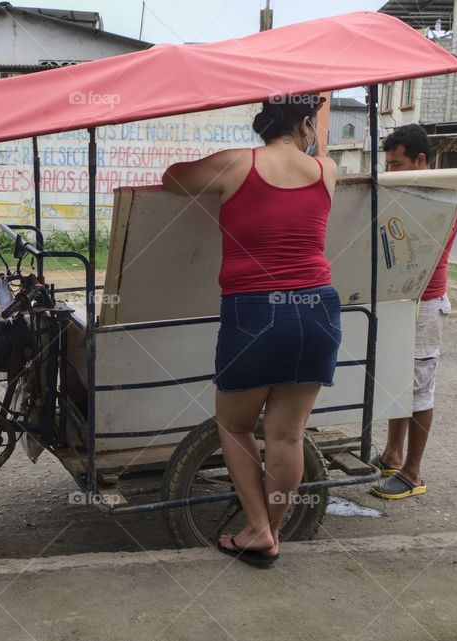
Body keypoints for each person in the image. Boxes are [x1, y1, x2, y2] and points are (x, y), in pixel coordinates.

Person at [162, 95, 340, 568]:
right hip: (318, 307)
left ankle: (258, 529)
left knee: (235, 425)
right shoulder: (328, 170)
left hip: (256, 312)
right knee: (287, 435)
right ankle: (271, 530)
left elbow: (172, 179)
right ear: (306, 124)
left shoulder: (236, 164)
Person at [370, 124, 457, 500]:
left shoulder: (441, 195)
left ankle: (413, 471)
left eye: (397, 163)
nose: (391, 171)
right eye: (388, 164)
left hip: (426, 302)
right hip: (404, 297)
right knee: (398, 381)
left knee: (420, 389)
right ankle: (393, 453)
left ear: (420, 160)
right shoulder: (406, 192)